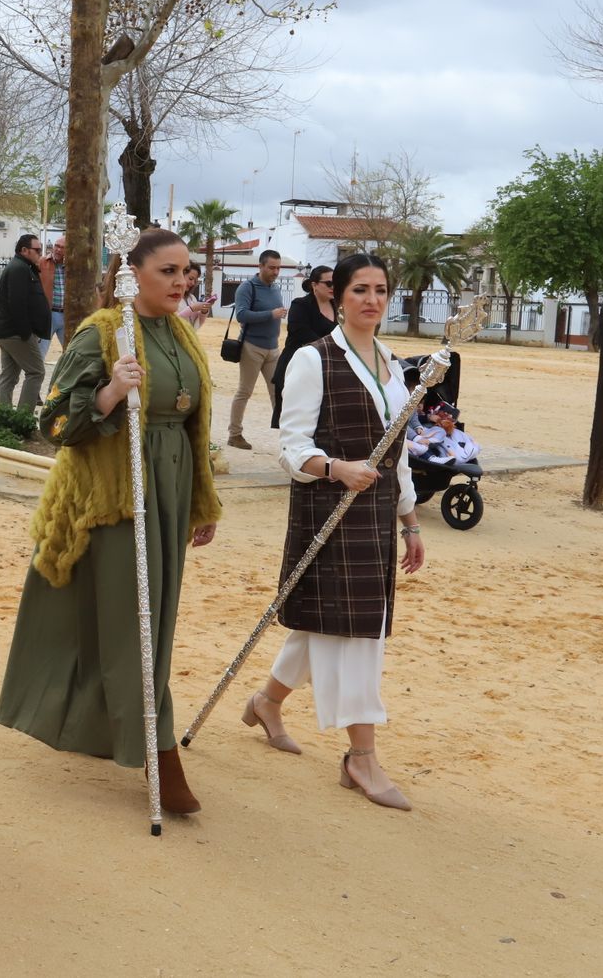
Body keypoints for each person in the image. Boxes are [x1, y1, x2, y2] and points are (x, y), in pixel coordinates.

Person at [0, 228, 221, 813]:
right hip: (116, 496)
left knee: (156, 619)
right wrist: (108, 394)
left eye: (185, 271)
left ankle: (107, 726)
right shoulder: (99, 333)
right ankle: (158, 748)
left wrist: (201, 500)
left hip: (170, 487)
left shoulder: (180, 331)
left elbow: (193, 423)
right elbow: (52, 424)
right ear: (132, 274)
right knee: (131, 623)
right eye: (168, 271)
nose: (181, 281)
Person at [242, 251, 424, 812]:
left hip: (377, 514)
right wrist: (335, 468)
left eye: (380, 290)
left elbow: (398, 453)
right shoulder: (311, 359)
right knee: (355, 634)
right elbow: (291, 447)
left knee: (332, 623)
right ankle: (361, 757)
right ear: (337, 296)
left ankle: (267, 701)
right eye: (360, 290)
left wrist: (410, 520)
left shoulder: (392, 363)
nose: (372, 300)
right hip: (328, 511)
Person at [225, 248, 286, 449]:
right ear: (260, 266)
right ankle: (234, 434)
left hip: (273, 348)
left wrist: (276, 314)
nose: (276, 272)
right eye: (272, 268)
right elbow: (241, 315)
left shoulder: (275, 288)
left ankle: (288, 438)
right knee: (245, 391)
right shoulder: (247, 287)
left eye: (278, 268)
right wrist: (271, 314)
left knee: (278, 392)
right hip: (251, 346)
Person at [269, 265, 337, 428]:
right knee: (293, 421)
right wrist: (330, 347)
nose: (333, 287)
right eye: (329, 283)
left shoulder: (338, 307)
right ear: (314, 285)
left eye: (336, 283)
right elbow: (301, 332)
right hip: (297, 367)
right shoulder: (300, 305)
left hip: (325, 369)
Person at [0, 233, 51, 410]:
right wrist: (26, 333)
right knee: (36, 372)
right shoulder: (19, 268)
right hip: (15, 333)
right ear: (24, 250)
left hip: (9, 332)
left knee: (9, 376)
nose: (40, 253)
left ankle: (5, 416)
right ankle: (23, 417)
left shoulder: (23, 267)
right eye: (37, 250)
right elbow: (17, 304)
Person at [43, 234, 67, 349]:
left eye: (62, 247)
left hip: (67, 315)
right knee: (40, 350)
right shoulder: (42, 263)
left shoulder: (73, 266)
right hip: (48, 314)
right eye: (56, 246)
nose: (58, 249)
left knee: (70, 349)